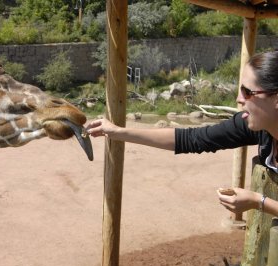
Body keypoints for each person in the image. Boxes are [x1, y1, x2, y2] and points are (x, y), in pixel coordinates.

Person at [86, 50, 278, 217]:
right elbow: (191, 139)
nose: (238, 99)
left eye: (247, 92)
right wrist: (118, 132)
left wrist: (259, 202)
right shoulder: (256, 127)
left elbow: (260, 202)